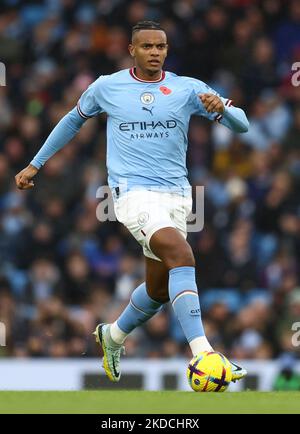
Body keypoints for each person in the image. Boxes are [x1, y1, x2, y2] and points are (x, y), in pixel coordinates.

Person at [15, 21, 249, 384]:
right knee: (182, 255)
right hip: (130, 193)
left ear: (167, 51)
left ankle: (112, 336)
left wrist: (223, 109)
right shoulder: (107, 87)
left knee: (157, 290)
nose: (155, 52)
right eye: (147, 47)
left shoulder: (188, 89)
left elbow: (243, 125)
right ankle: (204, 352)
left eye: (161, 47)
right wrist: (35, 164)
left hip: (177, 196)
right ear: (132, 50)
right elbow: (72, 121)